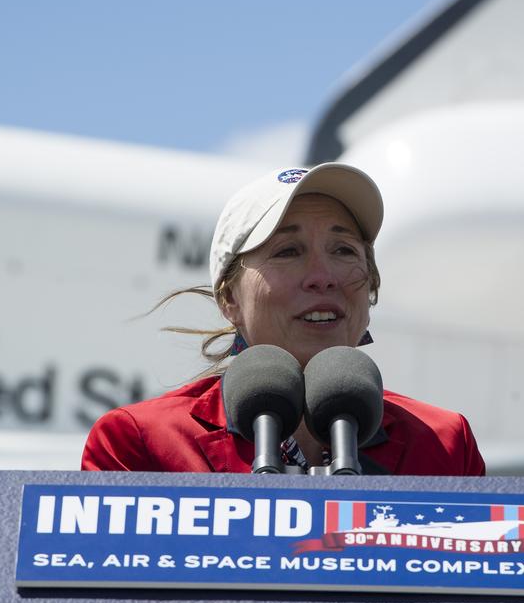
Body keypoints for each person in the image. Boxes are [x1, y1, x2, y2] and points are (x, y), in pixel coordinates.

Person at [81, 163, 485, 475]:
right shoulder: (139, 442)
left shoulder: (444, 444)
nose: (323, 277)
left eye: (343, 250)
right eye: (288, 251)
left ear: (371, 287)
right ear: (229, 298)